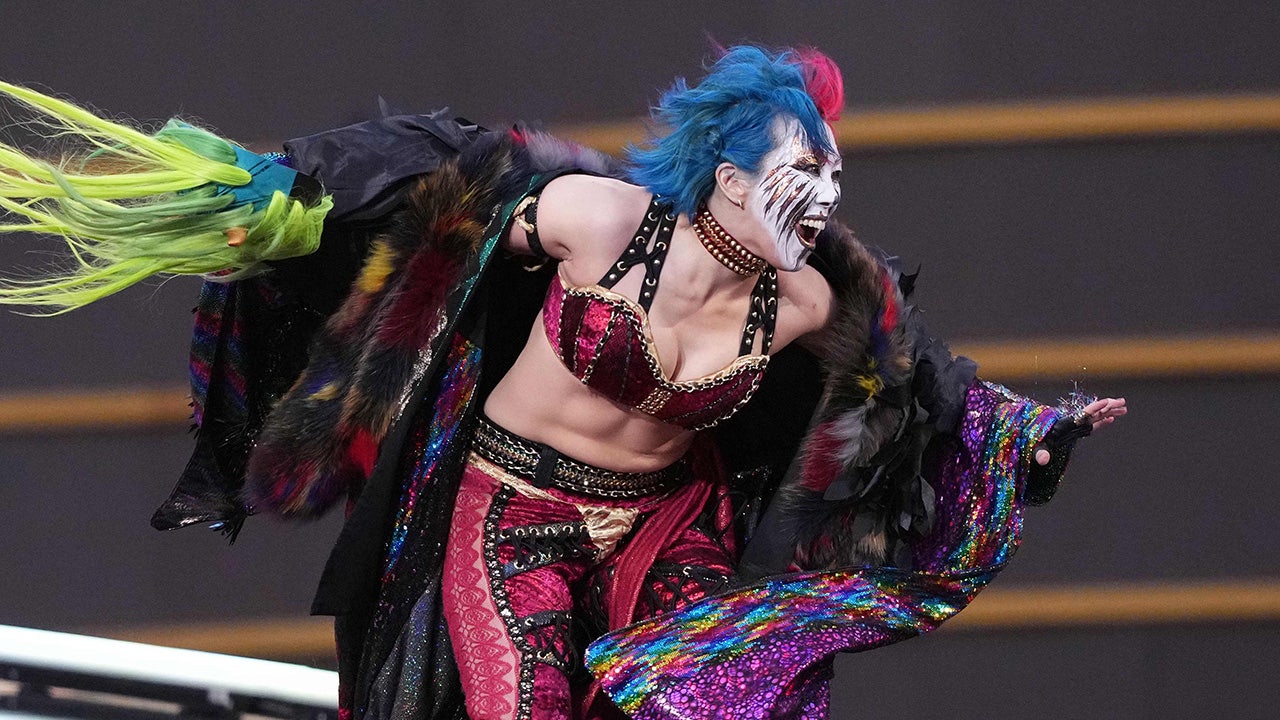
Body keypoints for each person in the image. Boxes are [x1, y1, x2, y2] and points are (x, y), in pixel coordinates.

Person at [0, 46, 1124, 719]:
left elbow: (917, 383)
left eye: (834, 169)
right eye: (800, 168)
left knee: (703, 699)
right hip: (511, 511)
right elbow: (448, 207)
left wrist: (1023, 437)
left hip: (666, 526)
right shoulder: (599, 221)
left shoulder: (810, 302)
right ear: (729, 179)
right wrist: (299, 201)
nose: (824, 191)